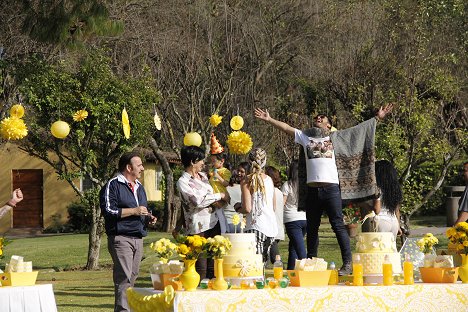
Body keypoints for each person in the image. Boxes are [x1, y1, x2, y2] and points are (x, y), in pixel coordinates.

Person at [255, 104, 392, 275]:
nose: (317, 119)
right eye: (316, 118)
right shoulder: (305, 137)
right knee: (312, 228)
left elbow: (359, 130)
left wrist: (377, 118)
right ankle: (312, 264)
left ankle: (347, 263)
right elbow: (286, 128)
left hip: (332, 190)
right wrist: (269, 119)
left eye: (322, 117)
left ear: (328, 125)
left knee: (338, 226)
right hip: (313, 191)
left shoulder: (336, 138)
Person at [100, 152, 157, 312]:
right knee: (124, 277)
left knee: (132, 277)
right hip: (121, 237)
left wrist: (149, 217)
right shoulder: (113, 184)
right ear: (128, 167)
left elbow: (142, 210)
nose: (143, 168)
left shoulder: (140, 187)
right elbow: (108, 210)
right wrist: (134, 211)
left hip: (138, 237)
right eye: (139, 165)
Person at [177, 145, 230, 280]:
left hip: (213, 224)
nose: (203, 163)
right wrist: (220, 196)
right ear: (192, 161)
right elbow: (197, 201)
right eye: (200, 160)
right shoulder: (183, 182)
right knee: (200, 267)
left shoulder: (204, 176)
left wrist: (217, 199)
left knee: (214, 266)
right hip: (198, 230)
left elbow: (208, 196)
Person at [237, 148, 278, 263]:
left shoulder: (246, 181)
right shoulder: (269, 180)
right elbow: (273, 206)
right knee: (262, 265)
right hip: (270, 227)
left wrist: (238, 208)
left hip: (255, 226)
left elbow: (247, 208)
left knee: (255, 266)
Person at [361, 160, 403, 237]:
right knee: (391, 248)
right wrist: (398, 225)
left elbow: (377, 210)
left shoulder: (377, 188)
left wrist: (362, 204)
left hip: (380, 222)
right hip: (394, 222)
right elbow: (397, 209)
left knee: (378, 249)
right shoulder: (394, 189)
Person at [281, 160, 307, 270]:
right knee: (293, 247)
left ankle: (308, 270)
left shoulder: (287, 185)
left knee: (300, 250)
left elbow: (282, 203)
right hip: (304, 218)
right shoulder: (305, 184)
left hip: (292, 220)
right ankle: (291, 271)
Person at [265, 165, 285, 264]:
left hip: (272, 229)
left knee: (275, 258)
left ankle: (280, 275)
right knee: (271, 256)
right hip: (277, 227)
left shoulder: (271, 191)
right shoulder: (279, 192)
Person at [208, 151, 231, 234]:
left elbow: (226, 183)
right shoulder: (211, 171)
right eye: (212, 161)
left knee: (220, 213)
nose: (212, 163)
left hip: (221, 196)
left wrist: (217, 176)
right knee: (219, 214)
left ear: (222, 161)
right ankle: (226, 230)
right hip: (214, 195)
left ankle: (224, 232)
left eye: (214, 161)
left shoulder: (225, 171)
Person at [225, 162, 249, 233]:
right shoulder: (243, 188)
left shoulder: (224, 189)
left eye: (242, 171)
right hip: (240, 223)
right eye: (238, 171)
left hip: (227, 222)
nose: (239, 173)